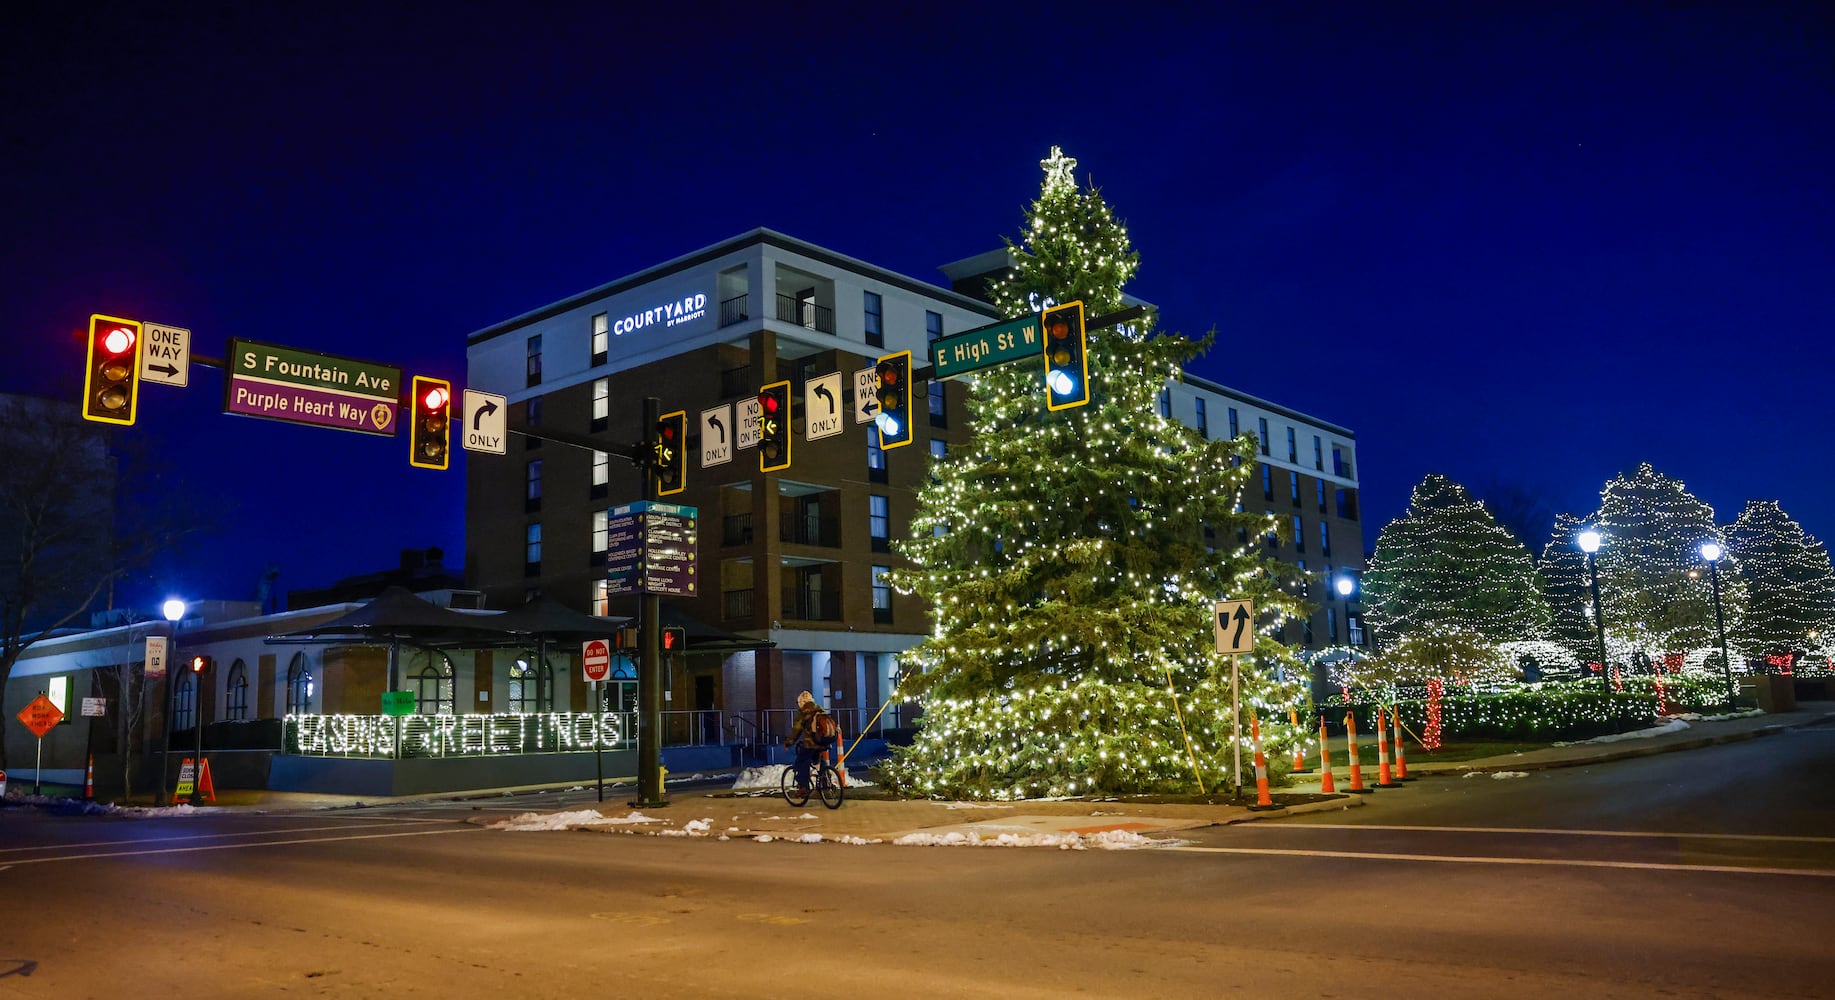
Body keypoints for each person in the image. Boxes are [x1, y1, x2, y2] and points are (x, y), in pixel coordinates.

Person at [783, 690, 825, 792]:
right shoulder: (819, 708)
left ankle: (803, 787)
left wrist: (789, 742)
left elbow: (797, 730)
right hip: (823, 742)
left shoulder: (803, 712)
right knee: (818, 760)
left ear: (802, 702)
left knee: (801, 761)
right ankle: (825, 780)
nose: (799, 705)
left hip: (811, 743)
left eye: (799, 703)